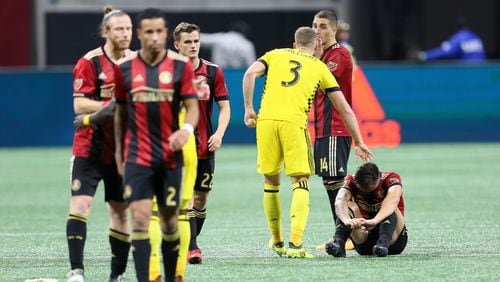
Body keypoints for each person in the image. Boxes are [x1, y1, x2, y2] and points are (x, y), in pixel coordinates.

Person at [242, 26, 373, 259]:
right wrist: (359, 141)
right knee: (300, 181)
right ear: (316, 47)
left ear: (294, 44)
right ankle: (295, 245)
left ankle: (277, 241)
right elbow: (344, 108)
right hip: (293, 124)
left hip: (266, 121)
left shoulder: (274, 55)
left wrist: (249, 108)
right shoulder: (319, 66)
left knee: (270, 181)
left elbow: (250, 73)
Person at [113, 8, 199, 282]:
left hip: (169, 157)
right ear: (139, 34)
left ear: (165, 34)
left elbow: (192, 107)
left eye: (158, 31)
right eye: (148, 32)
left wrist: (186, 129)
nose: (153, 37)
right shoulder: (124, 69)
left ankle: (174, 275)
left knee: (171, 221)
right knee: (139, 219)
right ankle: (146, 278)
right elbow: (120, 114)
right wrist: (118, 154)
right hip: (137, 155)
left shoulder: (179, 66)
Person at [66, 6, 132, 282]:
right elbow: (79, 104)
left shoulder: (138, 63)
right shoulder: (90, 62)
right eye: (119, 29)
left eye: (129, 28)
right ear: (106, 32)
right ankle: (76, 272)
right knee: (80, 206)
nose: (125, 34)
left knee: (119, 214)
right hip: (89, 148)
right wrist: (114, 106)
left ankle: (115, 276)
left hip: (123, 151)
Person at [173, 22, 231, 266]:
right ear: (177, 45)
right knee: (184, 199)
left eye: (196, 41)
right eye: (187, 42)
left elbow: (225, 107)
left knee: (201, 199)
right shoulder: (169, 72)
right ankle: (193, 247)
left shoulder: (212, 72)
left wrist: (219, 133)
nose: (193, 45)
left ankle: (188, 239)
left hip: (205, 147)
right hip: (178, 148)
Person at [311, 10, 355, 250]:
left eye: (323, 26)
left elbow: (319, 80)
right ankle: (343, 233)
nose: (317, 30)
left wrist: (311, 59)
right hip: (323, 128)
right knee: (331, 182)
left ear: (334, 31)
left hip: (335, 127)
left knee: (335, 182)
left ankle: (345, 235)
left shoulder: (339, 55)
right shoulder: (324, 54)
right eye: (315, 26)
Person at [326, 162, 408, 257]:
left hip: (393, 241)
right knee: (348, 205)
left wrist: (374, 221)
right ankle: (339, 244)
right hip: (364, 239)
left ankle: (383, 244)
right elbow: (340, 200)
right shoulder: (351, 180)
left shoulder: (391, 178)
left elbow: (392, 201)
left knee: (389, 205)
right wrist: (347, 220)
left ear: (379, 178)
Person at [416, 17, 486, 62]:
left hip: (467, 73)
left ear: (456, 27)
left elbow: (447, 52)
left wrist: (426, 55)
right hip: (482, 71)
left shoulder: (459, 37)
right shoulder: (476, 37)